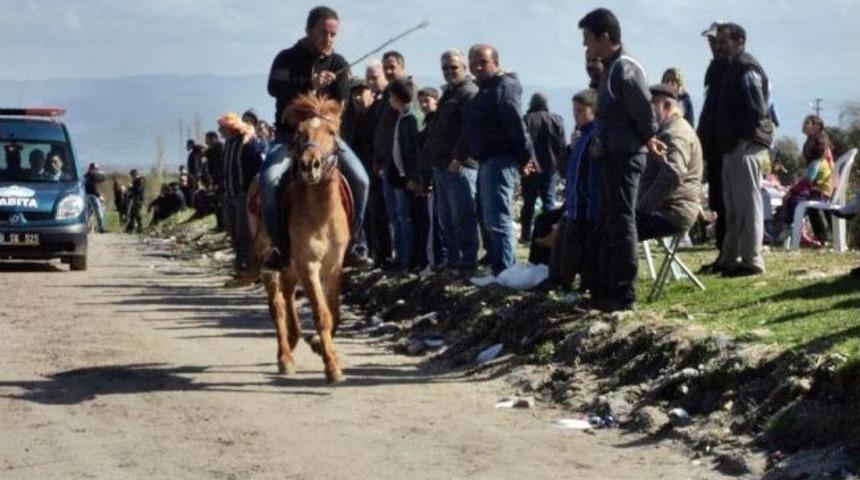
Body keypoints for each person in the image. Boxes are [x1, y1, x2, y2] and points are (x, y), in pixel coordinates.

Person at [262, 5, 369, 269]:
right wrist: (310, 84)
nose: (329, 39)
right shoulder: (286, 58)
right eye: (324, 33)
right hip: (290, 137)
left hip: (326, 139)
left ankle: (354, 242)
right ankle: (279, 244)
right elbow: (274, 89)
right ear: (309, 30)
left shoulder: (340, 64)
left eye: (334, 34)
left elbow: (339, 105)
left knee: (362, 180)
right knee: (269, 178)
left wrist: (331, 87)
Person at [578, 8, 664, 311]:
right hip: (611, 154)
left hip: (624, 155)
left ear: (604, 37)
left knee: (623, 222)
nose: (585, 46)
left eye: (588, 39)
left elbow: (643, 112)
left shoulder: (624, 69)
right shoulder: (611, 68)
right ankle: (606, 286)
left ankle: (624, 292)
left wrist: (648, 137)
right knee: (610, 221)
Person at [461, 44, 536, 283]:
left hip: (500, 158)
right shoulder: (486, 89)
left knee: (498, 216)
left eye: (483, 62)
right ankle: (497, 269)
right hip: (486, 159)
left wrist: (525, 156)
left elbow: (515, 123)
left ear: (496, 62)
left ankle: (506, 271)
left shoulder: (503, 87)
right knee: (488, 215)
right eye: (473, 62)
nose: (477, 67)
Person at [710, 23, 774, 277]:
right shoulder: (731, 69)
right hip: (732, 146)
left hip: (744, 146)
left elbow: (756, 110)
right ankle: (731, 257)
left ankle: (752, 259)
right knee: (734, 207)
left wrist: (743, 141)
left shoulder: (746, 69)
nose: (719, 45)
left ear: (738, 41)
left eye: (724, 41)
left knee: (748, 205)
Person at [424, 49, 480, 273]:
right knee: (446, 219)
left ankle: (468, 263)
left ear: (464, 68)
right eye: (445, 68)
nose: (449, 72)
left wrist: (458, 157)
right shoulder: (449, 94)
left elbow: (469, 129)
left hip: (460, 166)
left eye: (453, 67)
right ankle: (454, 262)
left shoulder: (468, 93)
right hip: (442, 167)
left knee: (463, 218)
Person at [635, 84, 704, 241]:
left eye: (652, 107)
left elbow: (673, 174)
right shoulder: (668, 130)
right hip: (666, 208)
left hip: (672, 212)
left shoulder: (675, 133)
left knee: (617, 230)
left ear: (666, 106)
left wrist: (641, 208)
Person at [697, 22, 729, 269]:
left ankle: (726, 252)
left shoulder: (731, 68)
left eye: (716, 42)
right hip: (714, 146)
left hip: (724, 146)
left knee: (725, 202)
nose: (712, 47)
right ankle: (722, 251)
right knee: (718, 201)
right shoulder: (717, 67)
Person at [220, 112, 264, 276]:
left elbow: (256, 168)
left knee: (243, 233)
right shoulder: (228, 145)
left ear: (230, 128)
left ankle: (249, 267)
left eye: (222, 128)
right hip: (229, 195)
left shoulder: (247, 144)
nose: (219, 131)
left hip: (243, 195)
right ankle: (239, 265)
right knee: (233, 233)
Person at [386, 78, 423, 270]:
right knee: (399, 217)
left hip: (410, 179)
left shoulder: (413, 118)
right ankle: (402, 256)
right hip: (400, 176)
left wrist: (414, 178)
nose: (389, 100)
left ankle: (409, 259)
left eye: (391, 96)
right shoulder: (401, 117)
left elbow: (416, 152)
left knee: (408, 218)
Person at [520, 92, 566, 243]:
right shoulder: (557, 119)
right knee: (549, 203)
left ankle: (526, 235)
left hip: (531, 167)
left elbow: (522, 144)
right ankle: (548, 233)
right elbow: (562, 145)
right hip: (551, 168)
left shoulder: (527, 119)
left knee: (528, 204)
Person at [774, 132, 833, 245]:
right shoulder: (821, 162)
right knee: (800, 202)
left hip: (819, 195)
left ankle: (788, 225)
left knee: (794, 200)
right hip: (820, 194)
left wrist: (791, 191)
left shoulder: (817, 163)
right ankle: (820, 236)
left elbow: (807, 182)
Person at [203, 130, 225, 229]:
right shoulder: (211, 150)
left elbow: (219, 166)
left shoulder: (220, 148)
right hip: (215, 180)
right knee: (216, 203)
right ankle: (219, 224)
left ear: (214, 138)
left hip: (221, 180)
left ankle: (224, 225)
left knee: (221, 203)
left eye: (207, 139)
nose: (206, 141)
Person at [84, 162, 107, 233]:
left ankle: (85, 228)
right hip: (93, 196)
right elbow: (103, 178)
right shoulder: (92, 174)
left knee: (88, 213)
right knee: (99, 211)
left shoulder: (86, 175)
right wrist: (99, 196)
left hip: (86, 195)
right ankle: (101, 227)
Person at [125, 169, 145, 233]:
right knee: (132, 214)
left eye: (131, 175)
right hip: (135, 198)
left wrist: (131, 187)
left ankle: (140, 227)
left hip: (139, 199)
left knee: (136, 213)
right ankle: (130, 228)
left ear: (134, 174)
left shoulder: (140, 180)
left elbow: (138, 190)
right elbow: (134, 191)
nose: (131, 177)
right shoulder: (136, 181)